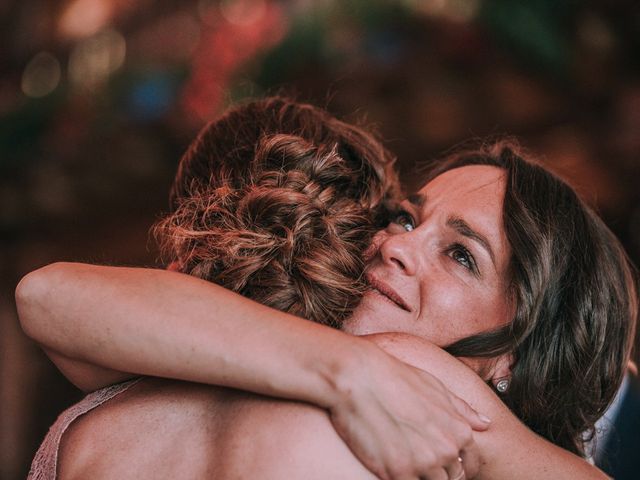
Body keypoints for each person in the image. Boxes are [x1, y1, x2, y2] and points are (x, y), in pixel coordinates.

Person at [16, 98, 637, 479]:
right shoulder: (228, 346)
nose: (396, 242)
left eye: (461, 255)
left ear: (512, 357)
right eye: (407, 217)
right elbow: (45, 297)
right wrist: (348, 370)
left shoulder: (431, 394)